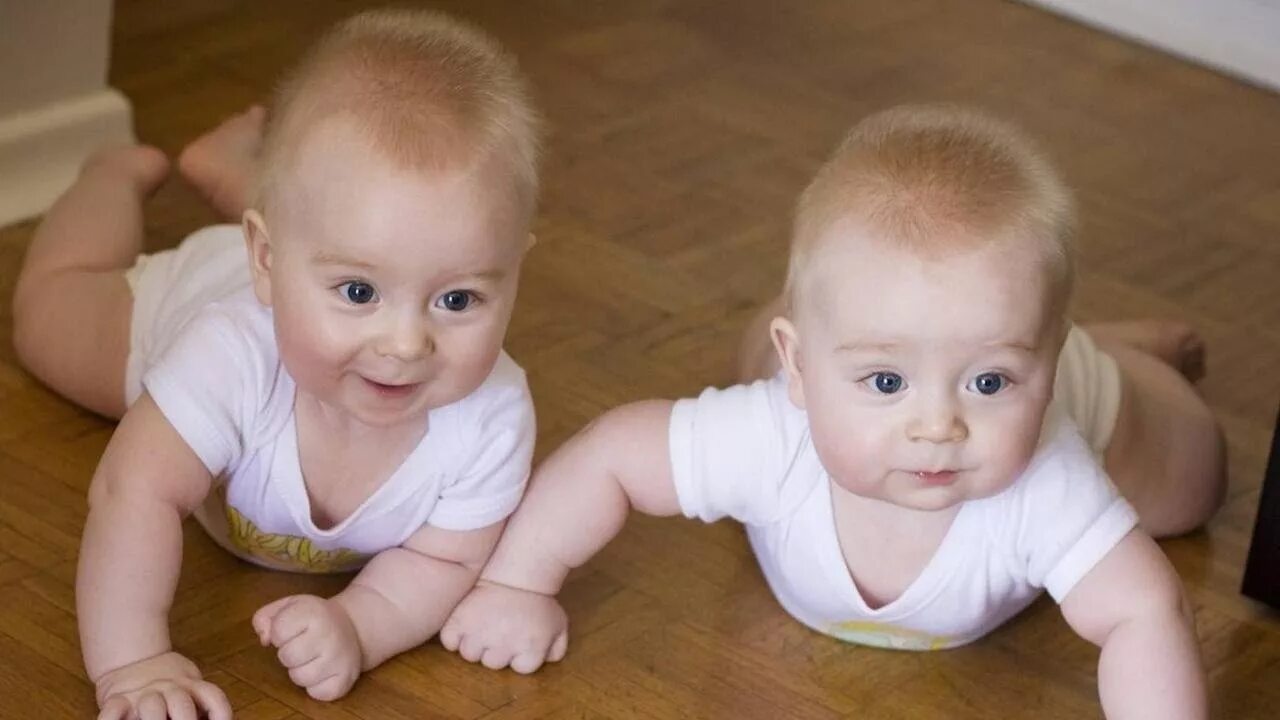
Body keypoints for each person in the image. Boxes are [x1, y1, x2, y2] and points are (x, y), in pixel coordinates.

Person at [439, 105, 1226, 719]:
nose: (937, 427)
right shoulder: (767, 436)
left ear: (1043, 369)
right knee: (766, 344)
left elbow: (1144, 613)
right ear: (802, 369)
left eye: (988, 385)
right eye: (887, 384)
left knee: (1194, 481)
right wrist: (518, 582)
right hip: (847, 356)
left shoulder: (1050, 477)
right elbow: (612, 455)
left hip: (1081, 385)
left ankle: (1114, 354)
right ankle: (874, 346)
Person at [11, 9, 541, 719]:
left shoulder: (493, 418)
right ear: (267, 262)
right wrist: (133, 664)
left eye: (457, 297)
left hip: (289, 252)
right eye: (359, 292)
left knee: (329, 230)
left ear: (513, 272)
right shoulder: (226, 356)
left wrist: (360, 624)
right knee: (47, 315)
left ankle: (243, 177)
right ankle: (112, 176)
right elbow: (133, 494)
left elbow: (444, 561)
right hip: (188, 296)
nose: (407, 344)